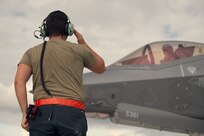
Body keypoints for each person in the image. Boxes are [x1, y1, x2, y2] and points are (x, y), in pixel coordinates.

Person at [14, 10, 105, 136]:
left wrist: (25, 113)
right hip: (72, 114)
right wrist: (82, 43)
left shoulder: (31, 52)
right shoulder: (79, 50)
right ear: (68, 29)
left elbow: (19, 81)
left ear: (45, 30)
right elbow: (101, 68)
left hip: (41, 115)